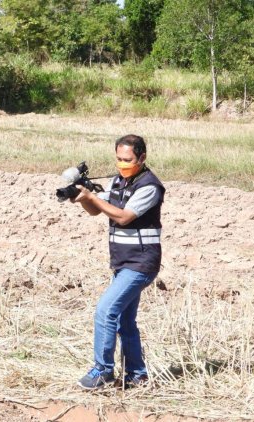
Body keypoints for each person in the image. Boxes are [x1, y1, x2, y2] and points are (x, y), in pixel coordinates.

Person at [70, 134, 165, 390]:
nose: (122, 164)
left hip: (141, 263)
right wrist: (84, 199)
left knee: (105, 311)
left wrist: (94, 197)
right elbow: (98, 211)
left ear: (142, 158)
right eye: (119, 159)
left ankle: (103, 371)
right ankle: (137, 374)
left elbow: (123, 217)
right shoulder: (118, 182)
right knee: (124, 321)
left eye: (128, 160)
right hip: (122, 262)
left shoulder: (149, 186)